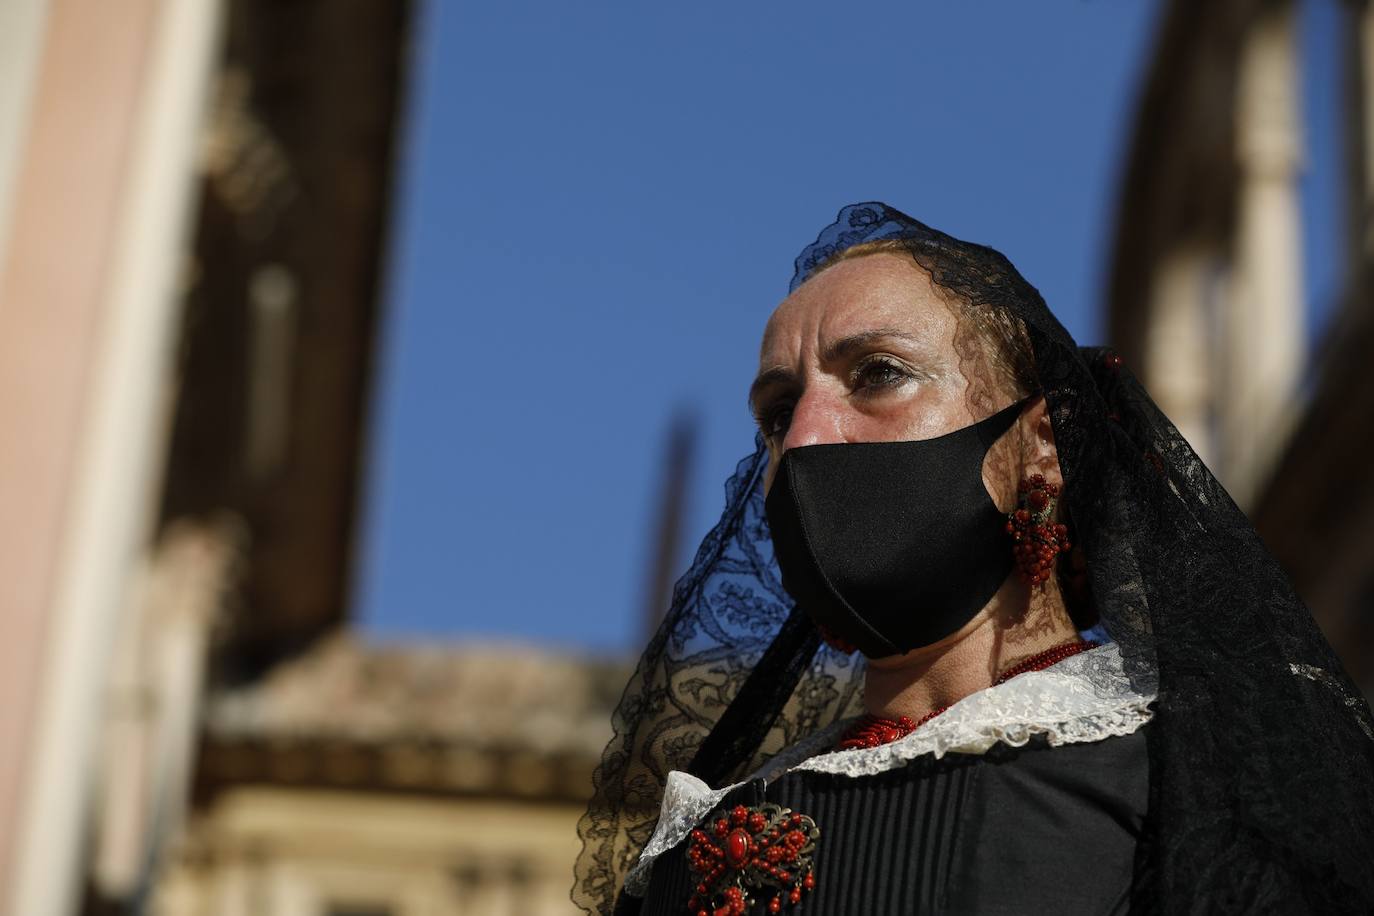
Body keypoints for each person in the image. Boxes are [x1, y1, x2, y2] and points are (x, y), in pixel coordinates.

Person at [572, 203, 1374, 915]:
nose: (805, 443)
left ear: (1041, 447)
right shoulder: (697, 844)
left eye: (878, 375)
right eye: (779, 414)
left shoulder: (1208, 769)